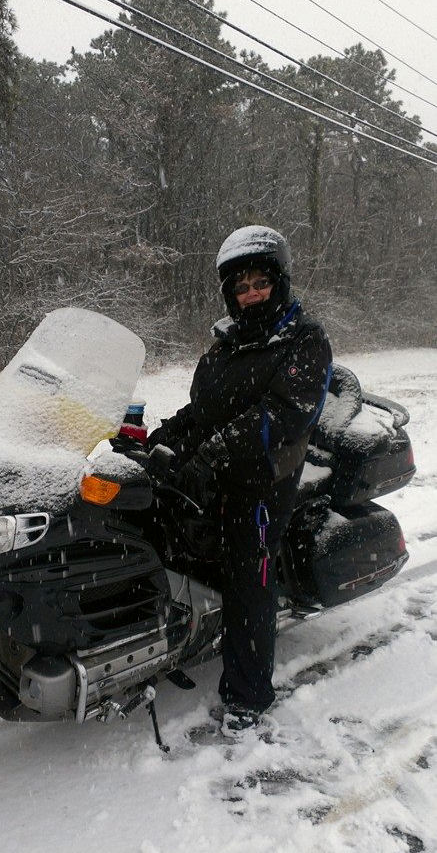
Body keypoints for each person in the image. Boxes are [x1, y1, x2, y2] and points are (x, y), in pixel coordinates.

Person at [147, 225, 333, 735]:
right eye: (241, 287)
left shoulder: (304, 339)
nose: (250, 294)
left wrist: (212, 456)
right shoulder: (225, 347)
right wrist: (156, 439)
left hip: (265, 479)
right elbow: (202, 412)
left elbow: (281, 415)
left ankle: (249, 696)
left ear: (279, 282)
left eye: (260, 283)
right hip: (218, 470)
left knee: (248, 572)